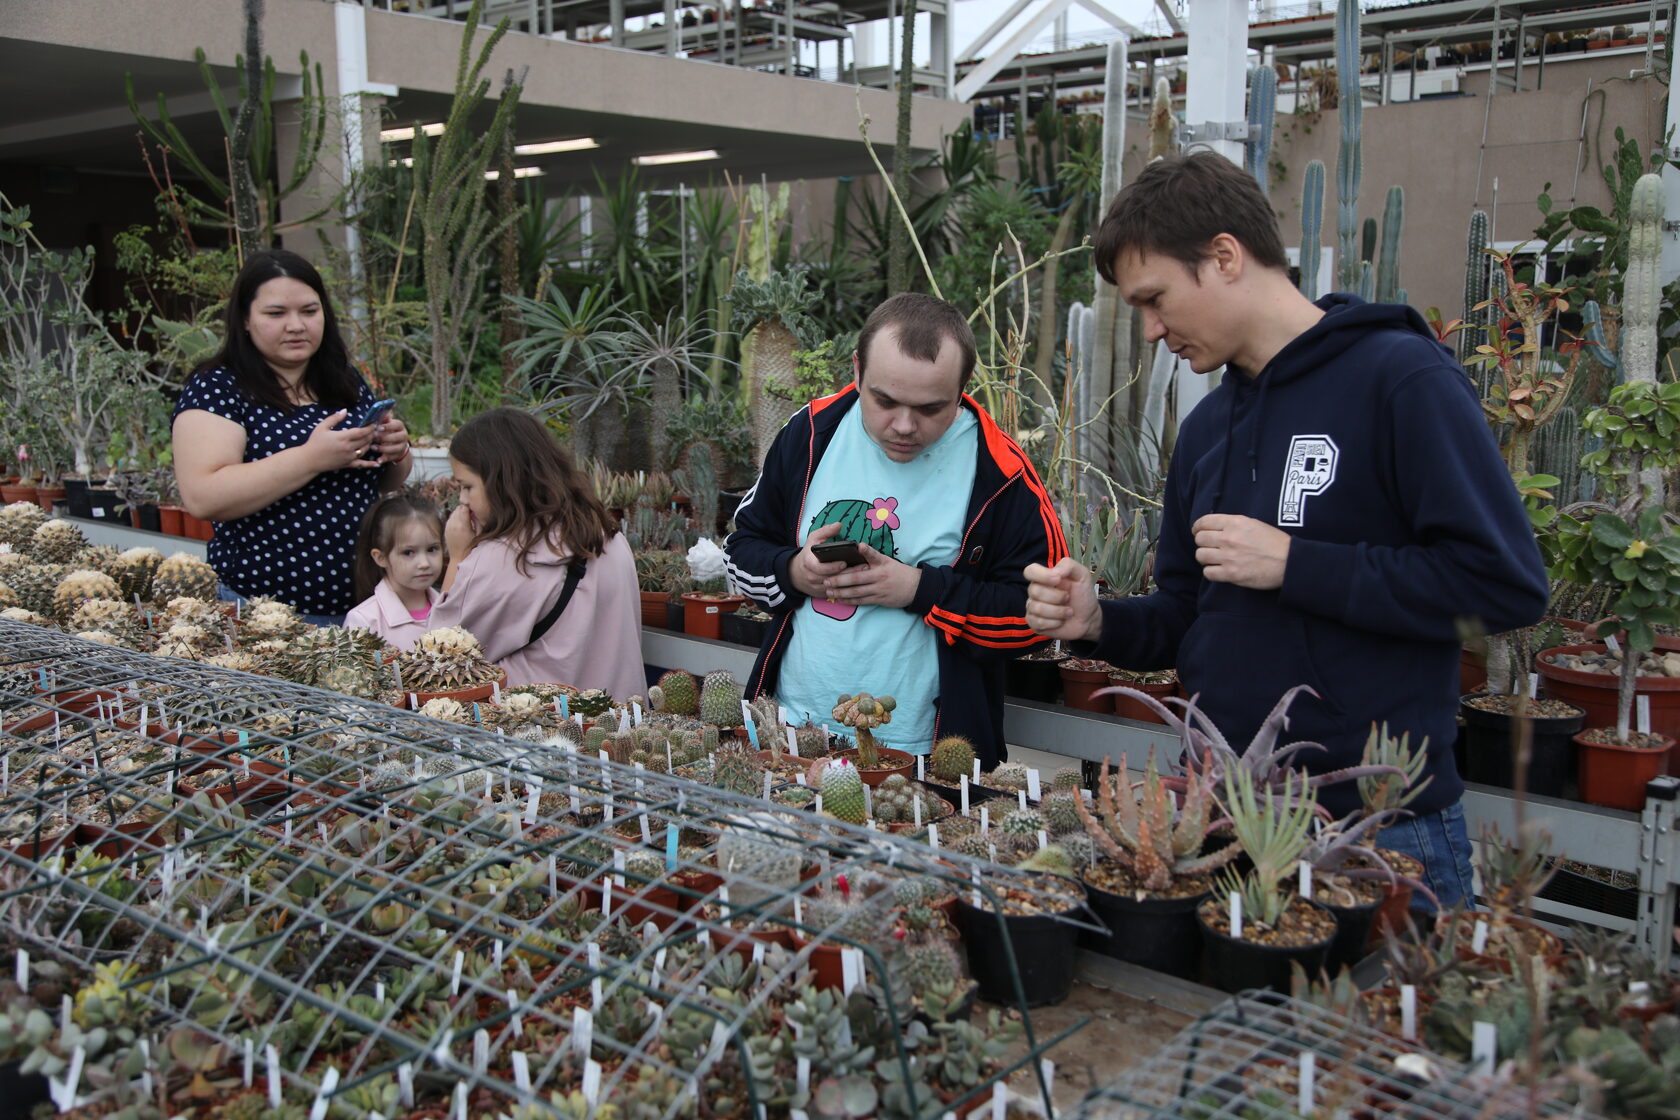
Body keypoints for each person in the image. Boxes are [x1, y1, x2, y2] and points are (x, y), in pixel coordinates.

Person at [1023, 152, 1548, 909]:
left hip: (1378, 831)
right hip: (1223, 820)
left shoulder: (1401, 380)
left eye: (1155, 299)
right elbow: (1189, 614)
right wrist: (1098, 620)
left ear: (1224, 256)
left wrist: (1298, 565)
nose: (1149, 330)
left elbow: (1504, 584)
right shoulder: (1208, 430)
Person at [725, 293, 1066, 765]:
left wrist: (920, 590)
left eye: (930, 408)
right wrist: (794, 571)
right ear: (857, 370)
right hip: (792, 730)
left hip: (925, 751)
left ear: (963, 387)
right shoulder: (812, 432)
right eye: (884, 401)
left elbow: (1040, 618)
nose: (904, 426)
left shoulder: (1002, 473)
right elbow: (740, 549)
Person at [171, 250, 412, 625]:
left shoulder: (343, 379)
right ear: (245, 319)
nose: (296, 325)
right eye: (276, 313)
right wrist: (310, 459)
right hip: (265, 617)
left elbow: (383, 480)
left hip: (364, 610)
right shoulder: (219, 386)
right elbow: (204, 496)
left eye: (309, 311)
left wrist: (396, 451)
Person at [425, 407, 644, 698]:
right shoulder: (608, 538)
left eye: (467, 487)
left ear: (500, 482)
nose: (463, 500)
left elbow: (437, 658)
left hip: (538, 720)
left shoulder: (502, 560)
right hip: (621, 718)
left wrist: (458, 557)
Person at [345, 493, 445, 650]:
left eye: (432, 549)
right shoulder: (364, 621)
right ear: (381, 558)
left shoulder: (450, 609)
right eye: (408, 552)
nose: (424, 563)